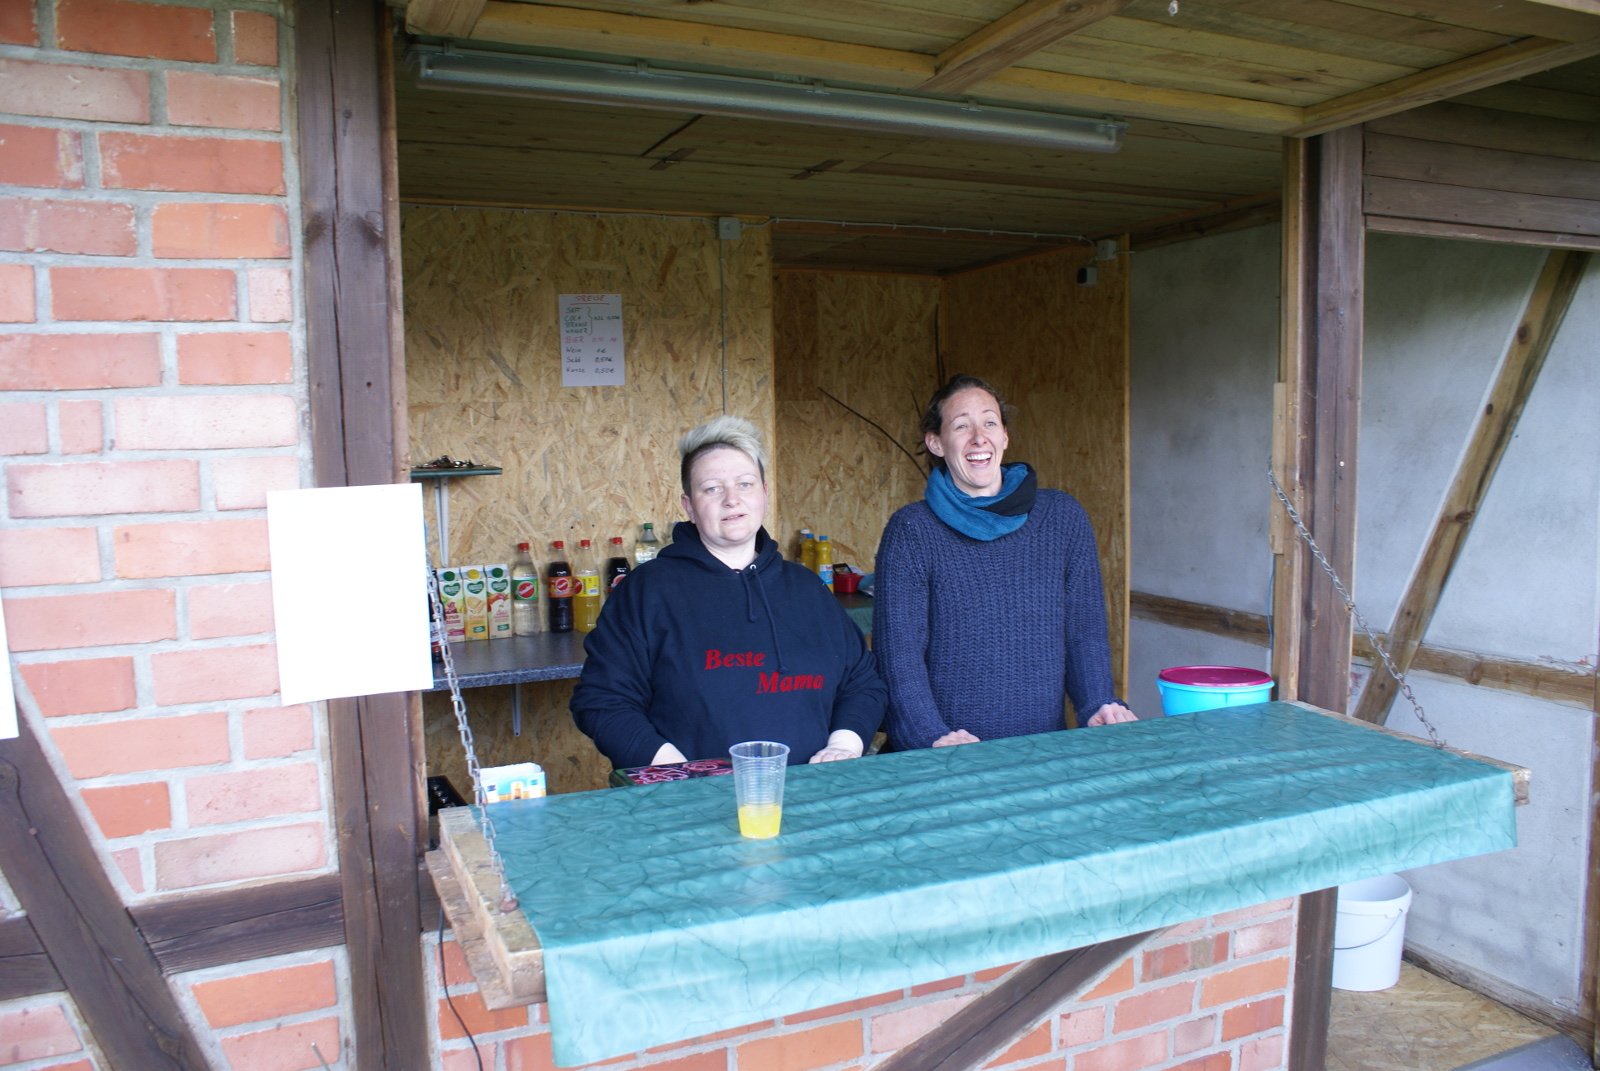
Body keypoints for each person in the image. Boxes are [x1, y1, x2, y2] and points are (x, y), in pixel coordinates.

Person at [572, 415, 886, 768]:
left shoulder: (806, 588)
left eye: (745, 484)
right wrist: (680, 773)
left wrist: (843, 746)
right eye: (712, 488)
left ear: (764, 493)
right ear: (689, 506)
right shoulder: (647, 592)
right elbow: (603, 701)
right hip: (693, 796)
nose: (732, 500)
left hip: (813, 789)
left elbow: (862, 682)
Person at [872, 374, 1137, 750]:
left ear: (1005, 437)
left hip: (1042, 750)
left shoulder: (1061, 517)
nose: (979, 438)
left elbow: (1084, 631)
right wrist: (930, 735)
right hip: (948, 754)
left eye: (990, 423)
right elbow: (899, 655)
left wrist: (1097, 703)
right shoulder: (912, 530)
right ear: (936, 443)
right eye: (961, 426)